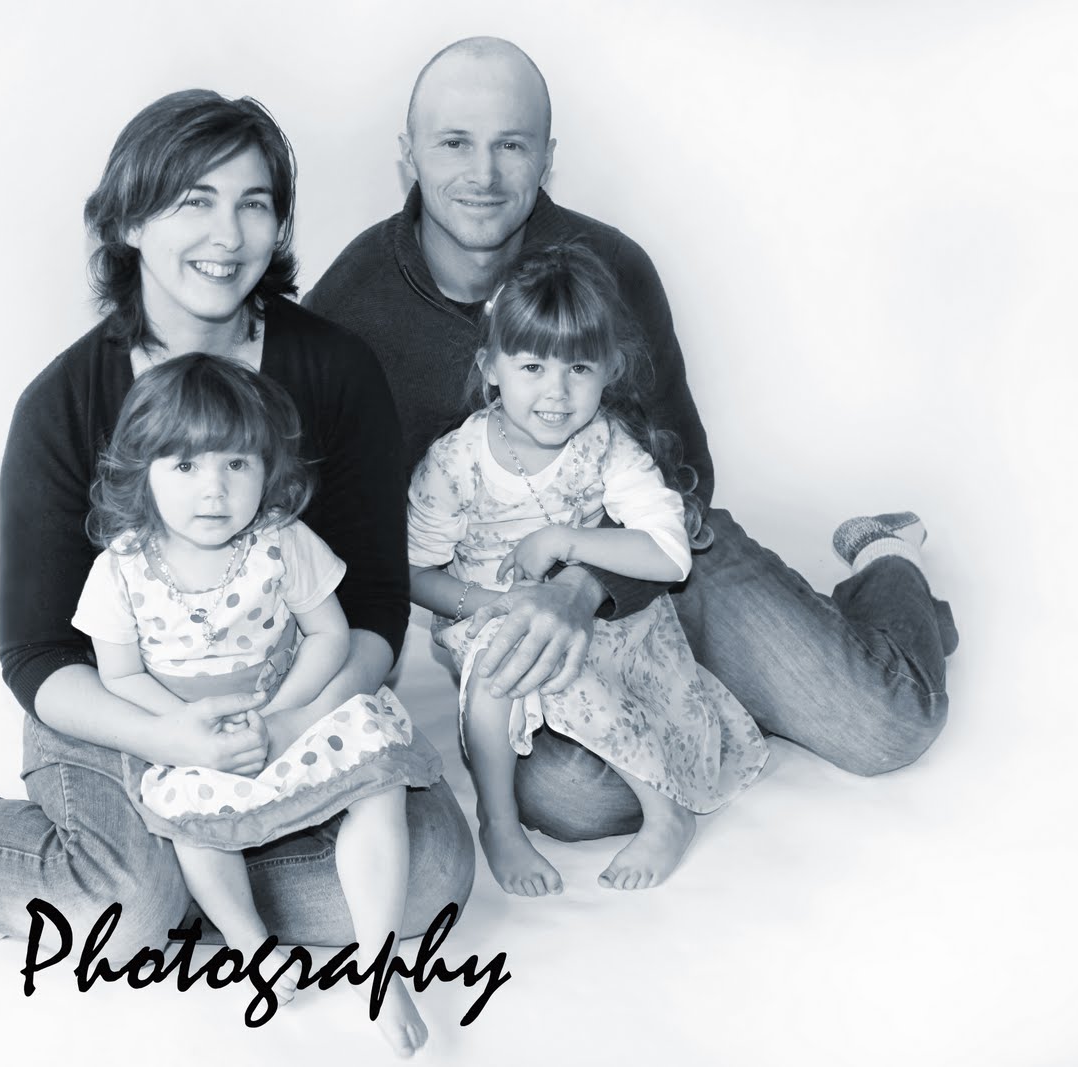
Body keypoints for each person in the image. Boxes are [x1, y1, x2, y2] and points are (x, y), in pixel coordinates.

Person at [0, 89, 474, 965]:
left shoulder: (335, 370)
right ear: (129, 221)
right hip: (124, 698)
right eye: (194, 200)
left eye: (253, 203)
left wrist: (297, 720)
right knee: (123, 914)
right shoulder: (63, 404)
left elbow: (373, 602)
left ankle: (195, 870)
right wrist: (169, 738)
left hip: (291, 692)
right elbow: (37, 654)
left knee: (430, 877)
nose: (228, 235)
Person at [306, 37, 957, 842]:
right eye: (454, 144)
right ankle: (717, 693)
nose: (484, 174)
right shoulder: (353, 302)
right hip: (514, 608)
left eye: (511, 145)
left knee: (887, 725)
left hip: (666, 560)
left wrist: (584, 585)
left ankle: (885, 560)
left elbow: (686, 476)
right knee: (573, 801)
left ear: (548, 156)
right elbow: (350, 527)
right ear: (408, 155)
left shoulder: (609, 265)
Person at [74, 354, 433, 1053]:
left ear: (268, 468)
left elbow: (330, 634)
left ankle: (381, 961)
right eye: (185, 464)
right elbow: (119, 676)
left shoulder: (280, 541)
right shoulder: (121, 567)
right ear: (141, 472)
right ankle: (250, 945)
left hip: (285, 707)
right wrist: (186, 731)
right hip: (186, 731)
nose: (214, 489)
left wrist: (285, 716)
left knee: (379, 782)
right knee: (192, 825)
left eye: (236, 463)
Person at [408, 244, 767, 895]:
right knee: (504, 661)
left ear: (610, 370)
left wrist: (565, 540)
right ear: (490, 368)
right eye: (532, 365)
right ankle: (499, 821)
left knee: (583, 659)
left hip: (600, 614)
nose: (556, 391)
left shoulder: (605, 446)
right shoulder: (455, 465)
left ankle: (666, 813)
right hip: (485, 614)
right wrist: (491, 605)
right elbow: (412, 571)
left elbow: (669, 553)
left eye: (578, 367)